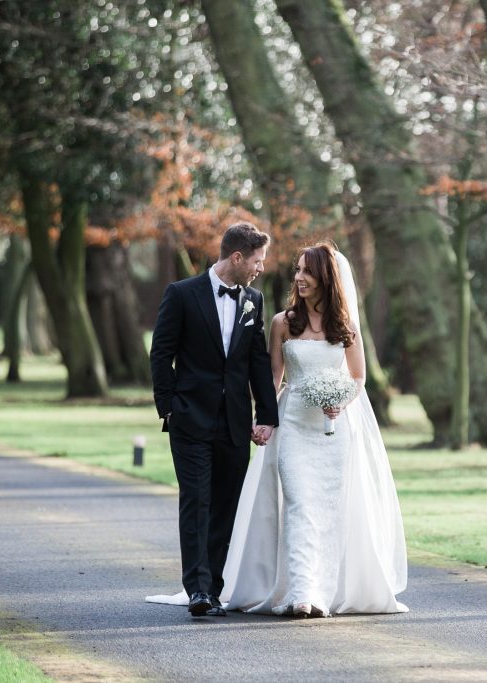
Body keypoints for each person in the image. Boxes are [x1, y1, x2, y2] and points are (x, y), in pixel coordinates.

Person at [221, 243, 408, 617]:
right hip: (293, 427)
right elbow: (274, 377)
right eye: (298, 270)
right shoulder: (282, 323)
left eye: (307, 271)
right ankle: (301, 593)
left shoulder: (345, 327)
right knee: (300, 504)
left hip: (332, 432)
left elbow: (357, 378)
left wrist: (341, 400)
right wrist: (264, 419)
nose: (299, 278)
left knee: (325, 510)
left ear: (326, 278)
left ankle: (321, 593)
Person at [149, 222, 279, 618]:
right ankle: (198, 590)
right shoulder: (182, 294)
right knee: (197, 502)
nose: (260, 268)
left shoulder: (254, 300)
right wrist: (169, 406)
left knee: (226, 506)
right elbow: (161, 353)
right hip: (190, 419)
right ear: (237, 257)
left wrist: (267, 416)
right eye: (257, 261)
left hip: (235, 423)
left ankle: (215, 588)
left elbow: (258, 361)